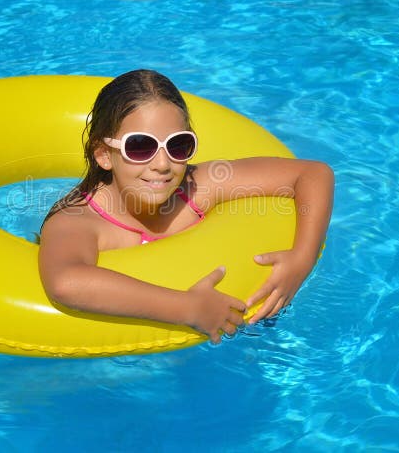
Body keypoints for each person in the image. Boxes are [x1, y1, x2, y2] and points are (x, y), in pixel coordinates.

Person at [39, 69, 334, 344]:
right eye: (140, 146)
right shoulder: (79, 221)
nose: (163, 165)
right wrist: (187, 308)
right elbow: (66, 282)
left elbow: (313, 174)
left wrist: (302, 258)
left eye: (179, 145)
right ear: (104, 155)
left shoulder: (196, 186)